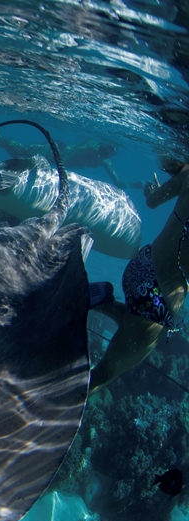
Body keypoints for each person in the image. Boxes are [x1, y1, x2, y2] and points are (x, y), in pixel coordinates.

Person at [89, 155, 189, 393]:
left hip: (141, 266)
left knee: (134, 321)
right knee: (102, 375)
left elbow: (153, 202)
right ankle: (33, 420)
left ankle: (104, 302)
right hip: (160, 299)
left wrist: (153, 191)